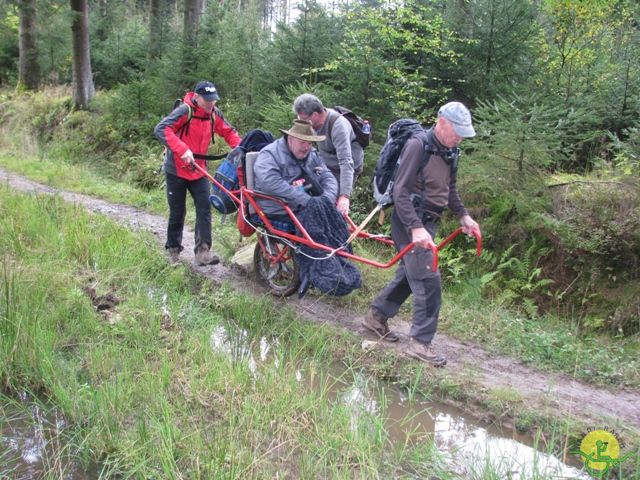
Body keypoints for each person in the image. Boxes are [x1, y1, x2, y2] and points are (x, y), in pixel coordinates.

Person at [362, 101, 481, 367]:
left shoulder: (451, 152)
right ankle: (419, 344)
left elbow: (450, 190)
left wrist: (464, 216)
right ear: (441, 122)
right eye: (456, 131)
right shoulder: (418, 145)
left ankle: (375, 318)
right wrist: (416, 228)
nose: (459, 137)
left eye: (463, 133)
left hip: (429, 223)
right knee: (428, 280)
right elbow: (400, 193)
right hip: (408, 221)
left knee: (409, 274)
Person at [155, 80, 242, 265]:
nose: (211, 104)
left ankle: (203, 252)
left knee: (204, 208)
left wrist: (242, 149)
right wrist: (182, 149)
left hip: (199, 169)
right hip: (176, 169)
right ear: (197, 97)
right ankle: (173, 251)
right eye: (207, 100)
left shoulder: (213, 114)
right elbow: (162, 129)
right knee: (177, 211)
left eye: (214, 100)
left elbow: (228, 132)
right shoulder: (185, 111)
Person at [293, 93, 364, 216]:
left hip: (343, 168)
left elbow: (346, 162)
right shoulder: (312, 123)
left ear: (314, 115)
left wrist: (344, 196)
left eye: (303, 119)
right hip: (325, 165)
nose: (301, 122)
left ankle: (334, 228)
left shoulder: (338, 126)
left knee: (330, 204)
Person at [253, 119, 338, 219]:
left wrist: (327, 198)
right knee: (317, 230)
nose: (306, 147)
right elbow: (271, 183)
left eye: (310, 143)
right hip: (279, 210)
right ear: (290, 139)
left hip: (306, 207)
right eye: (302, 142)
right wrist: (307, 201)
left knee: (338, 224)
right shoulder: (270, 155)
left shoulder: (312, 154)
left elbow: (327, 176)